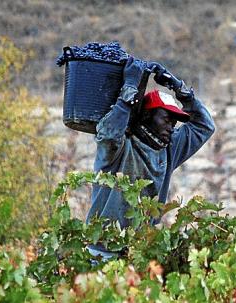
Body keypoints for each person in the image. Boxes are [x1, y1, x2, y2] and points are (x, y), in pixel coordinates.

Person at [86, 57, 215, 259]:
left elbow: (205, 126)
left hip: (138, 254)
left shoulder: (169, 148)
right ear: (147, 116)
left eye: (175, 121)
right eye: (166, 119)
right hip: (101, 252)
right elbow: (109, 134)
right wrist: (128, 91)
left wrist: (182, 91)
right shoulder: (120, 146)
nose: (172, 127)